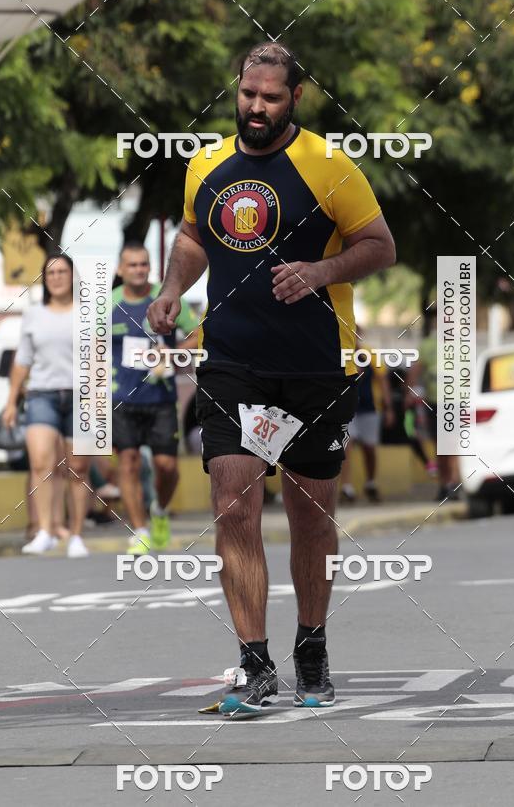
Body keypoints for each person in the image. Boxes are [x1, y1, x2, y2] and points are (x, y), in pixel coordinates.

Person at [148, 42, 395, 714]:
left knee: (311, 517)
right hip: (231, 363)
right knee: (233, 502)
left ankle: (311, 645)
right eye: (248, 93)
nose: (256, 107)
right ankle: (254, 663)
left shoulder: (329, 164)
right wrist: (171, 289)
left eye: (271, 97)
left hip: (316, 365)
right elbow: (194, 236)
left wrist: (320, 272)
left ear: (296, 98)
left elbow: (380, 245)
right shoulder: (206, 163)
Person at [111, 242, 197, 555]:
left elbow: (198, 334)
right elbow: (91, 348)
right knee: (128, 462)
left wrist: (173, 353)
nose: (138, 270)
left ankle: (158, 510)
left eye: (143, 264)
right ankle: (140, 532)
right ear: (120, 269)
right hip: (121, 397)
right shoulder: (107, 304)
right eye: (132, 265)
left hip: (161, 397)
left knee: (167, 466)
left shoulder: (167, 298)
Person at [3, 254, 90, 557]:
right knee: (41, 463)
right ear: (44, 279)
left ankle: (76, 535)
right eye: (50, 273)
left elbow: (101, 359)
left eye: (62, 271)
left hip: (82, 397)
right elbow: (23, 360)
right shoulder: (33, 315)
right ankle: (44, 530)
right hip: (41, 395)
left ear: (72, 276)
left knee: (78, 468)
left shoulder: (88, 314)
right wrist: (11, 401)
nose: (56, 277)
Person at [406, 328, 459, 500]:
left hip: (456, 402)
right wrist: (410, 392)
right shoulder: (427, 345)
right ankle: (445, 484)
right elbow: (415, 371)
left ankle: (454, 483)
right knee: (441, 445)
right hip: (435, 402)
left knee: (453, 443)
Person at [339, 343, 395, 504]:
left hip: (369, 408)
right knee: (346, 446)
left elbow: (382, 380)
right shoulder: (340, 353)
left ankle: (370, 482)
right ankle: (346, 487)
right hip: (348, 409)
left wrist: (388, 407)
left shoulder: (369, 354)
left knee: (369, 448)